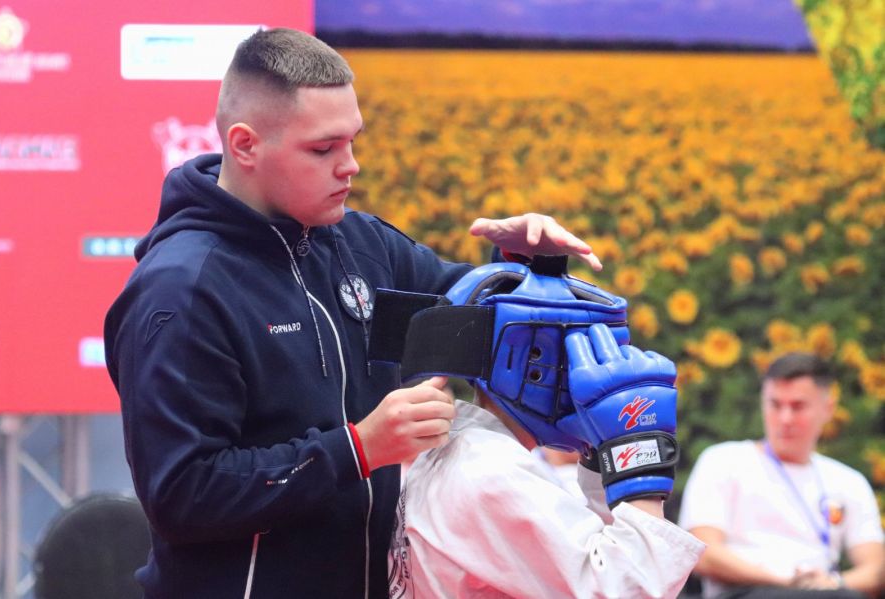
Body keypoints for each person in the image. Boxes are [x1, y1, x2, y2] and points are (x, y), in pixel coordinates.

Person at [103, 28, 602, 599]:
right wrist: (360, 448)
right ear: (244, 146)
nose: (351, 166)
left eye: (353, 141)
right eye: (324, 149)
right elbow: (183, 496)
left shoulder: (360, 244)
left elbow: (472, 322)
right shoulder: (181, 291)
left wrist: (528, 267)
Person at [385, 261, 705, 598]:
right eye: (577, 354)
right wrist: (640, 451)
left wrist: (603, 453)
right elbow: (626, 590)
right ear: (530, 361)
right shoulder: (489, 474)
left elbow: (594, 552)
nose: (591, 373)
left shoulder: (463, 453)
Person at [678, 352, 885, 599]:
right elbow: (703, 554)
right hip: (744, 593)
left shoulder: (848, 481)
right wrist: (786, 582)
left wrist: (831, 583)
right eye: (775, 405)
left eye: (798, 406)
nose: (785, 419)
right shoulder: (724, 460)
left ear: (828, 408)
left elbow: (875, 571)